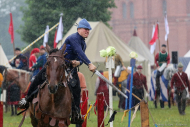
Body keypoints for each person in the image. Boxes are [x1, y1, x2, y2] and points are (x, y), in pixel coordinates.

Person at [18, 19, 96, 125]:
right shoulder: (73, 38)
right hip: (58, 65)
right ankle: (27, 99)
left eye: (88, 30)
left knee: (76, 87)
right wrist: (90, 64)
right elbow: (78, 51)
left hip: (70, 69)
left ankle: (75, 112)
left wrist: (79, 62)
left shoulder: (84, 44)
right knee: (38, 78)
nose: (87, 31)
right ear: (79, 29)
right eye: (85, 29)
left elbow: (80, 57)